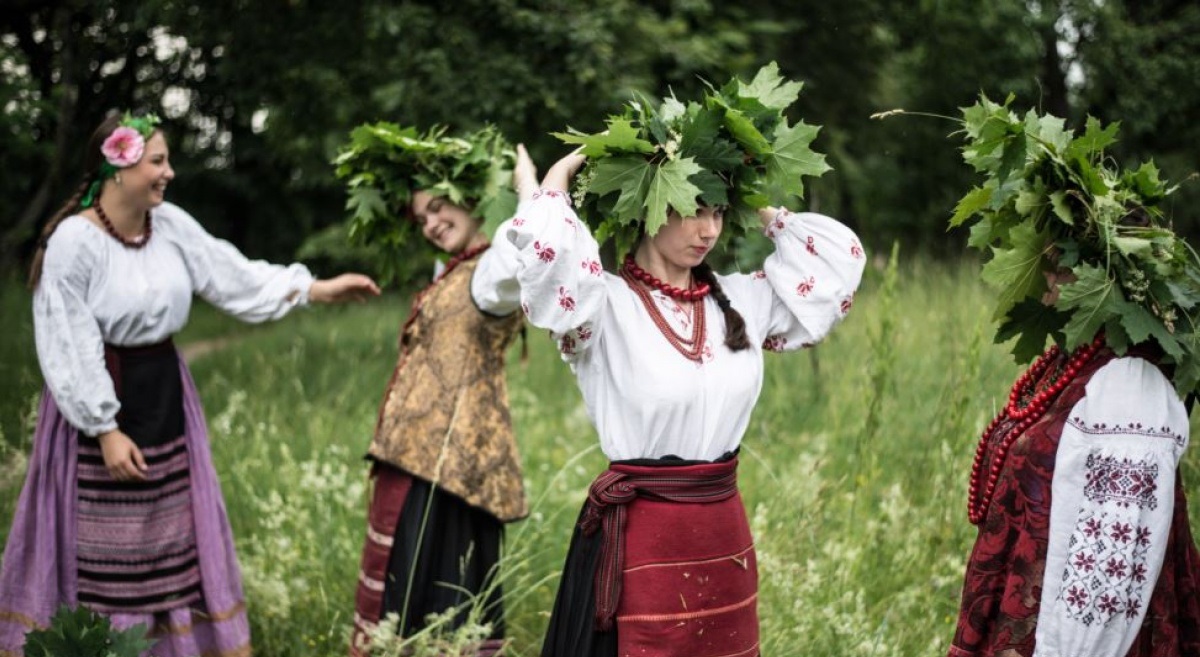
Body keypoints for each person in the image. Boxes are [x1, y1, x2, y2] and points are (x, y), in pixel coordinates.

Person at [472, 65, 866, 657]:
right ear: (650, 203)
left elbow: (837, 268)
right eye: (692, 208)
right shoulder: (601, 306)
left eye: (718, 210)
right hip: (642, 548)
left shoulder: (744, 298)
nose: (708, 229)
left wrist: (751, 195)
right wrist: (559, 175)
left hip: (724, 537)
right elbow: (547, 257)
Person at [0, 111, 380, 657]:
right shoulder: (73, 244)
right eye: (157, 161)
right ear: (117, 167)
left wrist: (316, 289)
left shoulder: (170, 225)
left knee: (169, 539)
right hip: (96, 407)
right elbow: (67, 339)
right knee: (104, 547)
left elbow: (232, 275)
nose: (169, 172)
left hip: (165, 394)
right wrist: (104, 428)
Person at [945, 99, 1200, 657]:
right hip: (1028, 614)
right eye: (1049, 257)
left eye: (1064, 263)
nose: (1047, 275)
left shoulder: (1129, 387)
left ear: (1109, 277)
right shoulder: (1074, 359)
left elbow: (1110, 574)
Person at [341, 124, 526, 657]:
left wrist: (529, 186)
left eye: (440, 207)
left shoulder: (492, 272)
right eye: (421, 217)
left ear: (471, 199)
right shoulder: (455, 268)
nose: (431, 223)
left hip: (455, 470)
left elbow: (523, 255)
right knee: (406, 602)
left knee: (442, 604)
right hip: (416, 458)